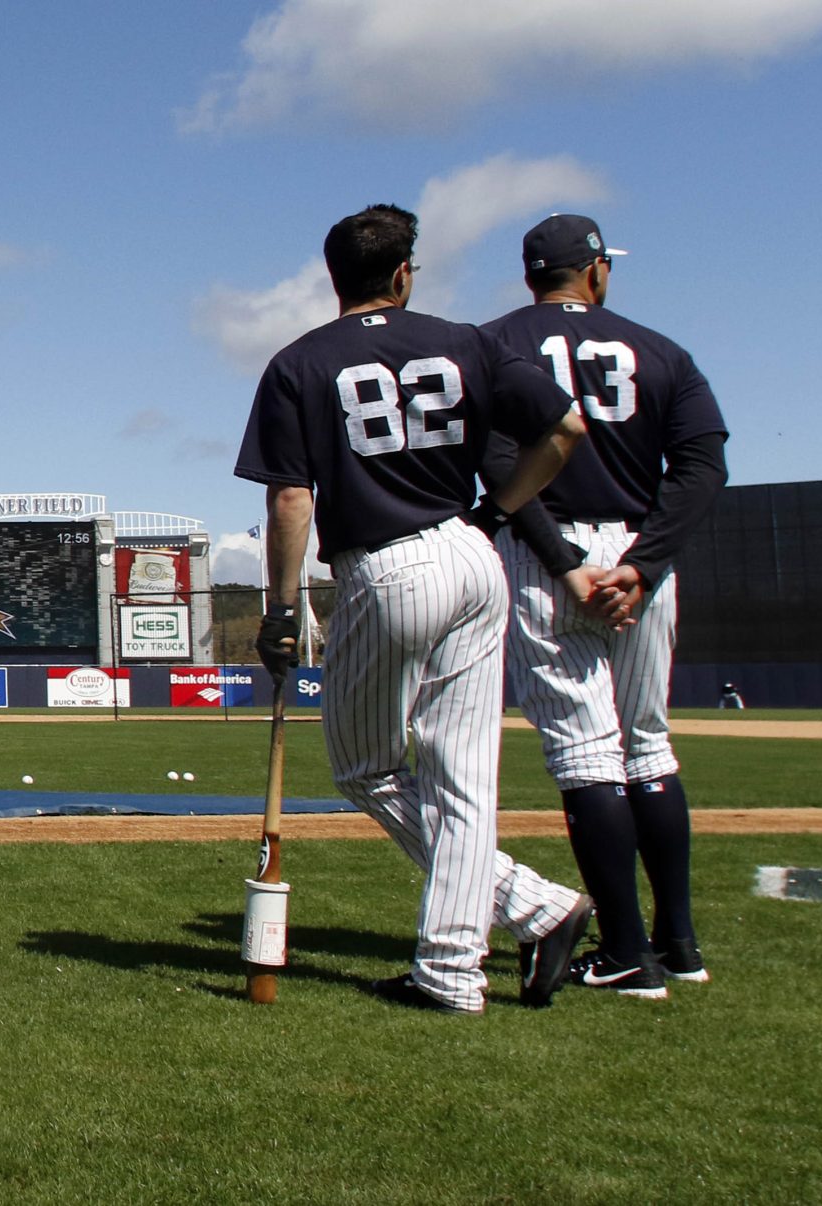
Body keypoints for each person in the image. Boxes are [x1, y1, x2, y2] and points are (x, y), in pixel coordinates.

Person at [234, 203, 593, 1015]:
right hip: (472, 552)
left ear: (335, 278)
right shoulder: (469, 342)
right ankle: (457, 966)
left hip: (387, 566)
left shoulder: (301, 361)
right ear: (404, 274)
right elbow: (565, 427)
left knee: (367, 768)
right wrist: (498, 514)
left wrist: (283, 610)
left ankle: (520, 916)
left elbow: (293, 498)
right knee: (464, 781)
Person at [482, 214, 729, 996]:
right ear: (595, 272)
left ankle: (627, 951)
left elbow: (496, 464)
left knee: (587, 755)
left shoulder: (496, 345)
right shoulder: (660, 349)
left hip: (547, 554)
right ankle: (677, 945)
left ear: (530, 277)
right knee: (648, 746)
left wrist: (563, 562)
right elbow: (702, 463)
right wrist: (647, 562)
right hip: (636, 552)